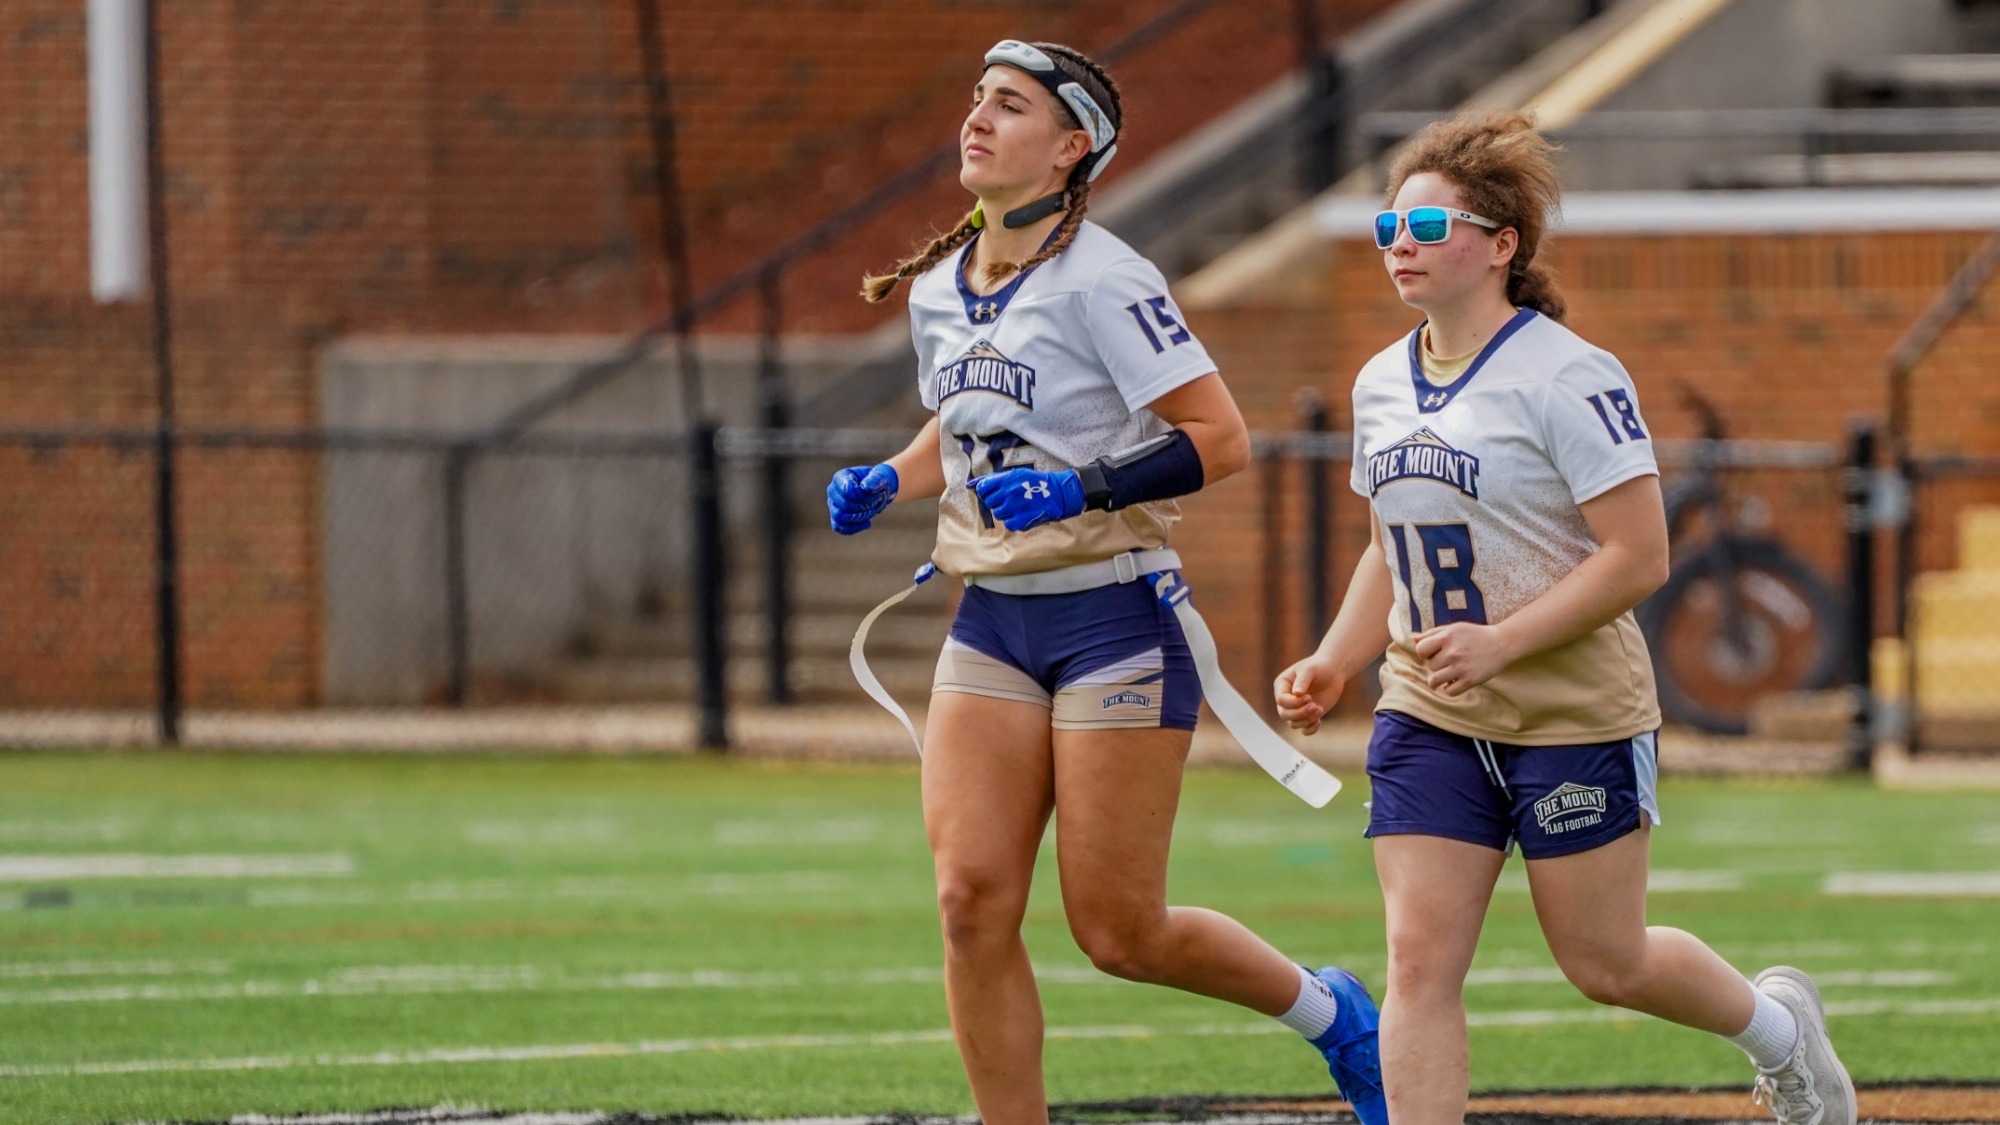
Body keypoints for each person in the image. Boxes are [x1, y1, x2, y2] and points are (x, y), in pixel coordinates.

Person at [826, 38, 1385, 1125]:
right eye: (976, 98)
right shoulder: (941, 287)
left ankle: (1331, 1014)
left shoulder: (1109, 277)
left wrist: (1079, 489)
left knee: (1119, 934)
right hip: (990, 621)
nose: (977, 119)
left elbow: (1219, 439)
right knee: (966, 902)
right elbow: (972, 417)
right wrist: (889, 477)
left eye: (1011, 105)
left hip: (1113, 618)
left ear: (1070, 146)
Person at [1272, 110, 1855, 1125]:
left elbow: (1639, 557)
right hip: (1427, 713)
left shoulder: (1566, 374)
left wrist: (1501, 640)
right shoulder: (1377, 381)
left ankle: (1777, 1033)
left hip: (1570, 711)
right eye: (1386, 229)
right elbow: (1385, 547)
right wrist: (1332, 658)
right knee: (1415, 962)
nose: (1398, 246)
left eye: (1425, 228)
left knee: (1604, 962)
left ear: (1500, 247)